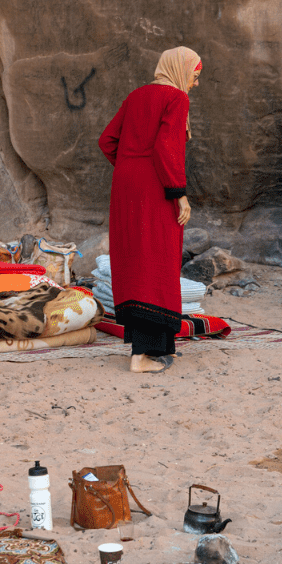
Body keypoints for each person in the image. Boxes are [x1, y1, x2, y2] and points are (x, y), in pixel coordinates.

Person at [99, 46, 200, 373]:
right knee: (158, 259)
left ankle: (156, 348)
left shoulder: (136, 96)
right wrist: (180, 195)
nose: (195, 84)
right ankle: (141, 357)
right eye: (195, 76)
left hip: (127, 185)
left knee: (136, 259)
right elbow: (166, 148)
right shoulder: (176, 99)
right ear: (181, 70)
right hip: (156, 187)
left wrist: (130, 166)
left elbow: (107, 141)